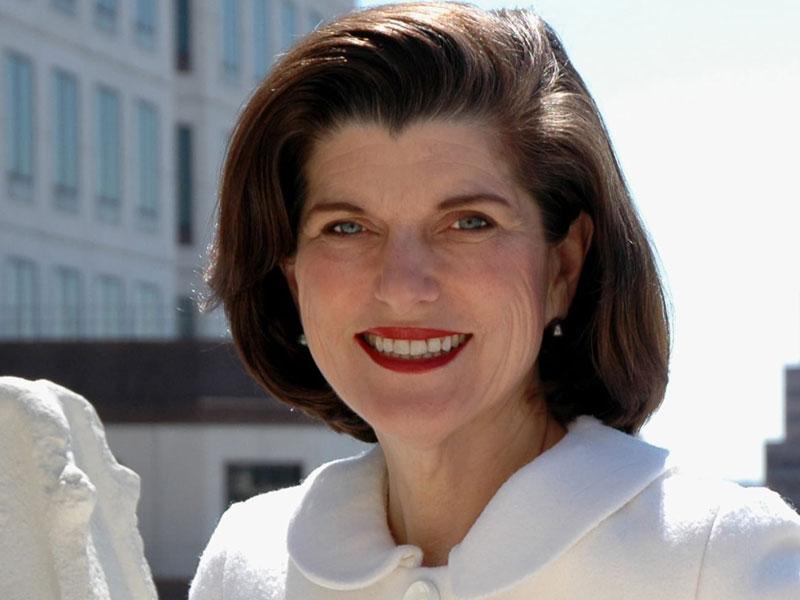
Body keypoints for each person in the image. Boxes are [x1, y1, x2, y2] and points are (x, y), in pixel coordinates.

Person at [188, 2, 800, 599]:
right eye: (347, 227)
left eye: (469, 223)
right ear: (293, 278)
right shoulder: (246, 561)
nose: (403, 287)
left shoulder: (720, 561)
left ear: (562, 267)